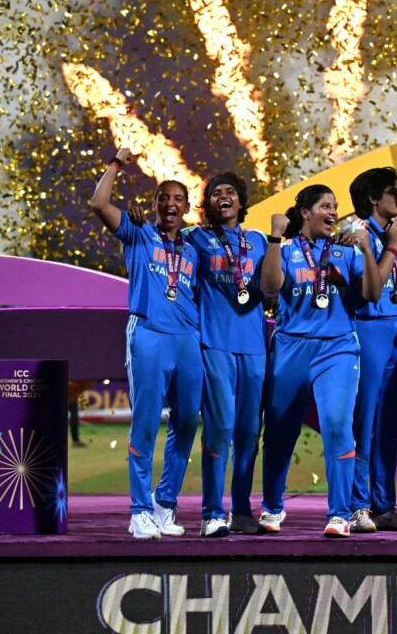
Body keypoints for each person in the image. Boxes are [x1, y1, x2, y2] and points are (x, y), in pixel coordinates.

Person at [258, 184, 385, 538]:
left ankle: (340, 514)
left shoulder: (346, 252)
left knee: (337, 426)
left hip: (337, 349)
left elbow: (372, 293)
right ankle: (272, 507)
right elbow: (270, 287)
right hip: (291, 347)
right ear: (305, 213)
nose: (333, 213)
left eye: (335, 207)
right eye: (326, 206)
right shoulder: (285, 250)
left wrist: (367, 250)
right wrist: (274, 238)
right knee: (279, 431)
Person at [90, 147, 203, 540]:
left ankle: (164, 504)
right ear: (154, 205)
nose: (170, 203)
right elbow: (99, 203)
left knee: (187, 423)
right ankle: (139, 511)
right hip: (149, 334)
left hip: (188, 339)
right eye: (163, 197)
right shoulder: (138, 232)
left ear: (186, 207)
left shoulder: (193, 249)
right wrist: (116, 163)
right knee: (146, 423)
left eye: (178, 198)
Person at [185, 172, 269, 537]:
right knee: (220, 428)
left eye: (230, 191)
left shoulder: (260, 240)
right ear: (208, 204)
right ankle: (212, 513)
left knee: (249, 432)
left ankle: (242, 510)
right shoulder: (196, 238)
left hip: (254, 347)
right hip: (215, 343)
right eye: (216, 193)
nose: (224, 196)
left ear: (241, 200)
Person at [346, 166, 397, 533]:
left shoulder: (393, 233)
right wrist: (392, 246)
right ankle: (358, 505)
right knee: (365, 424)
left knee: (388, 426)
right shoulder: (358, 234)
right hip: (368, 331)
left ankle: (384, 504)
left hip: (396, 331)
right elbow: (368, 291)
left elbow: (388, 284)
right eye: (392, 192)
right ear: (374, 199)